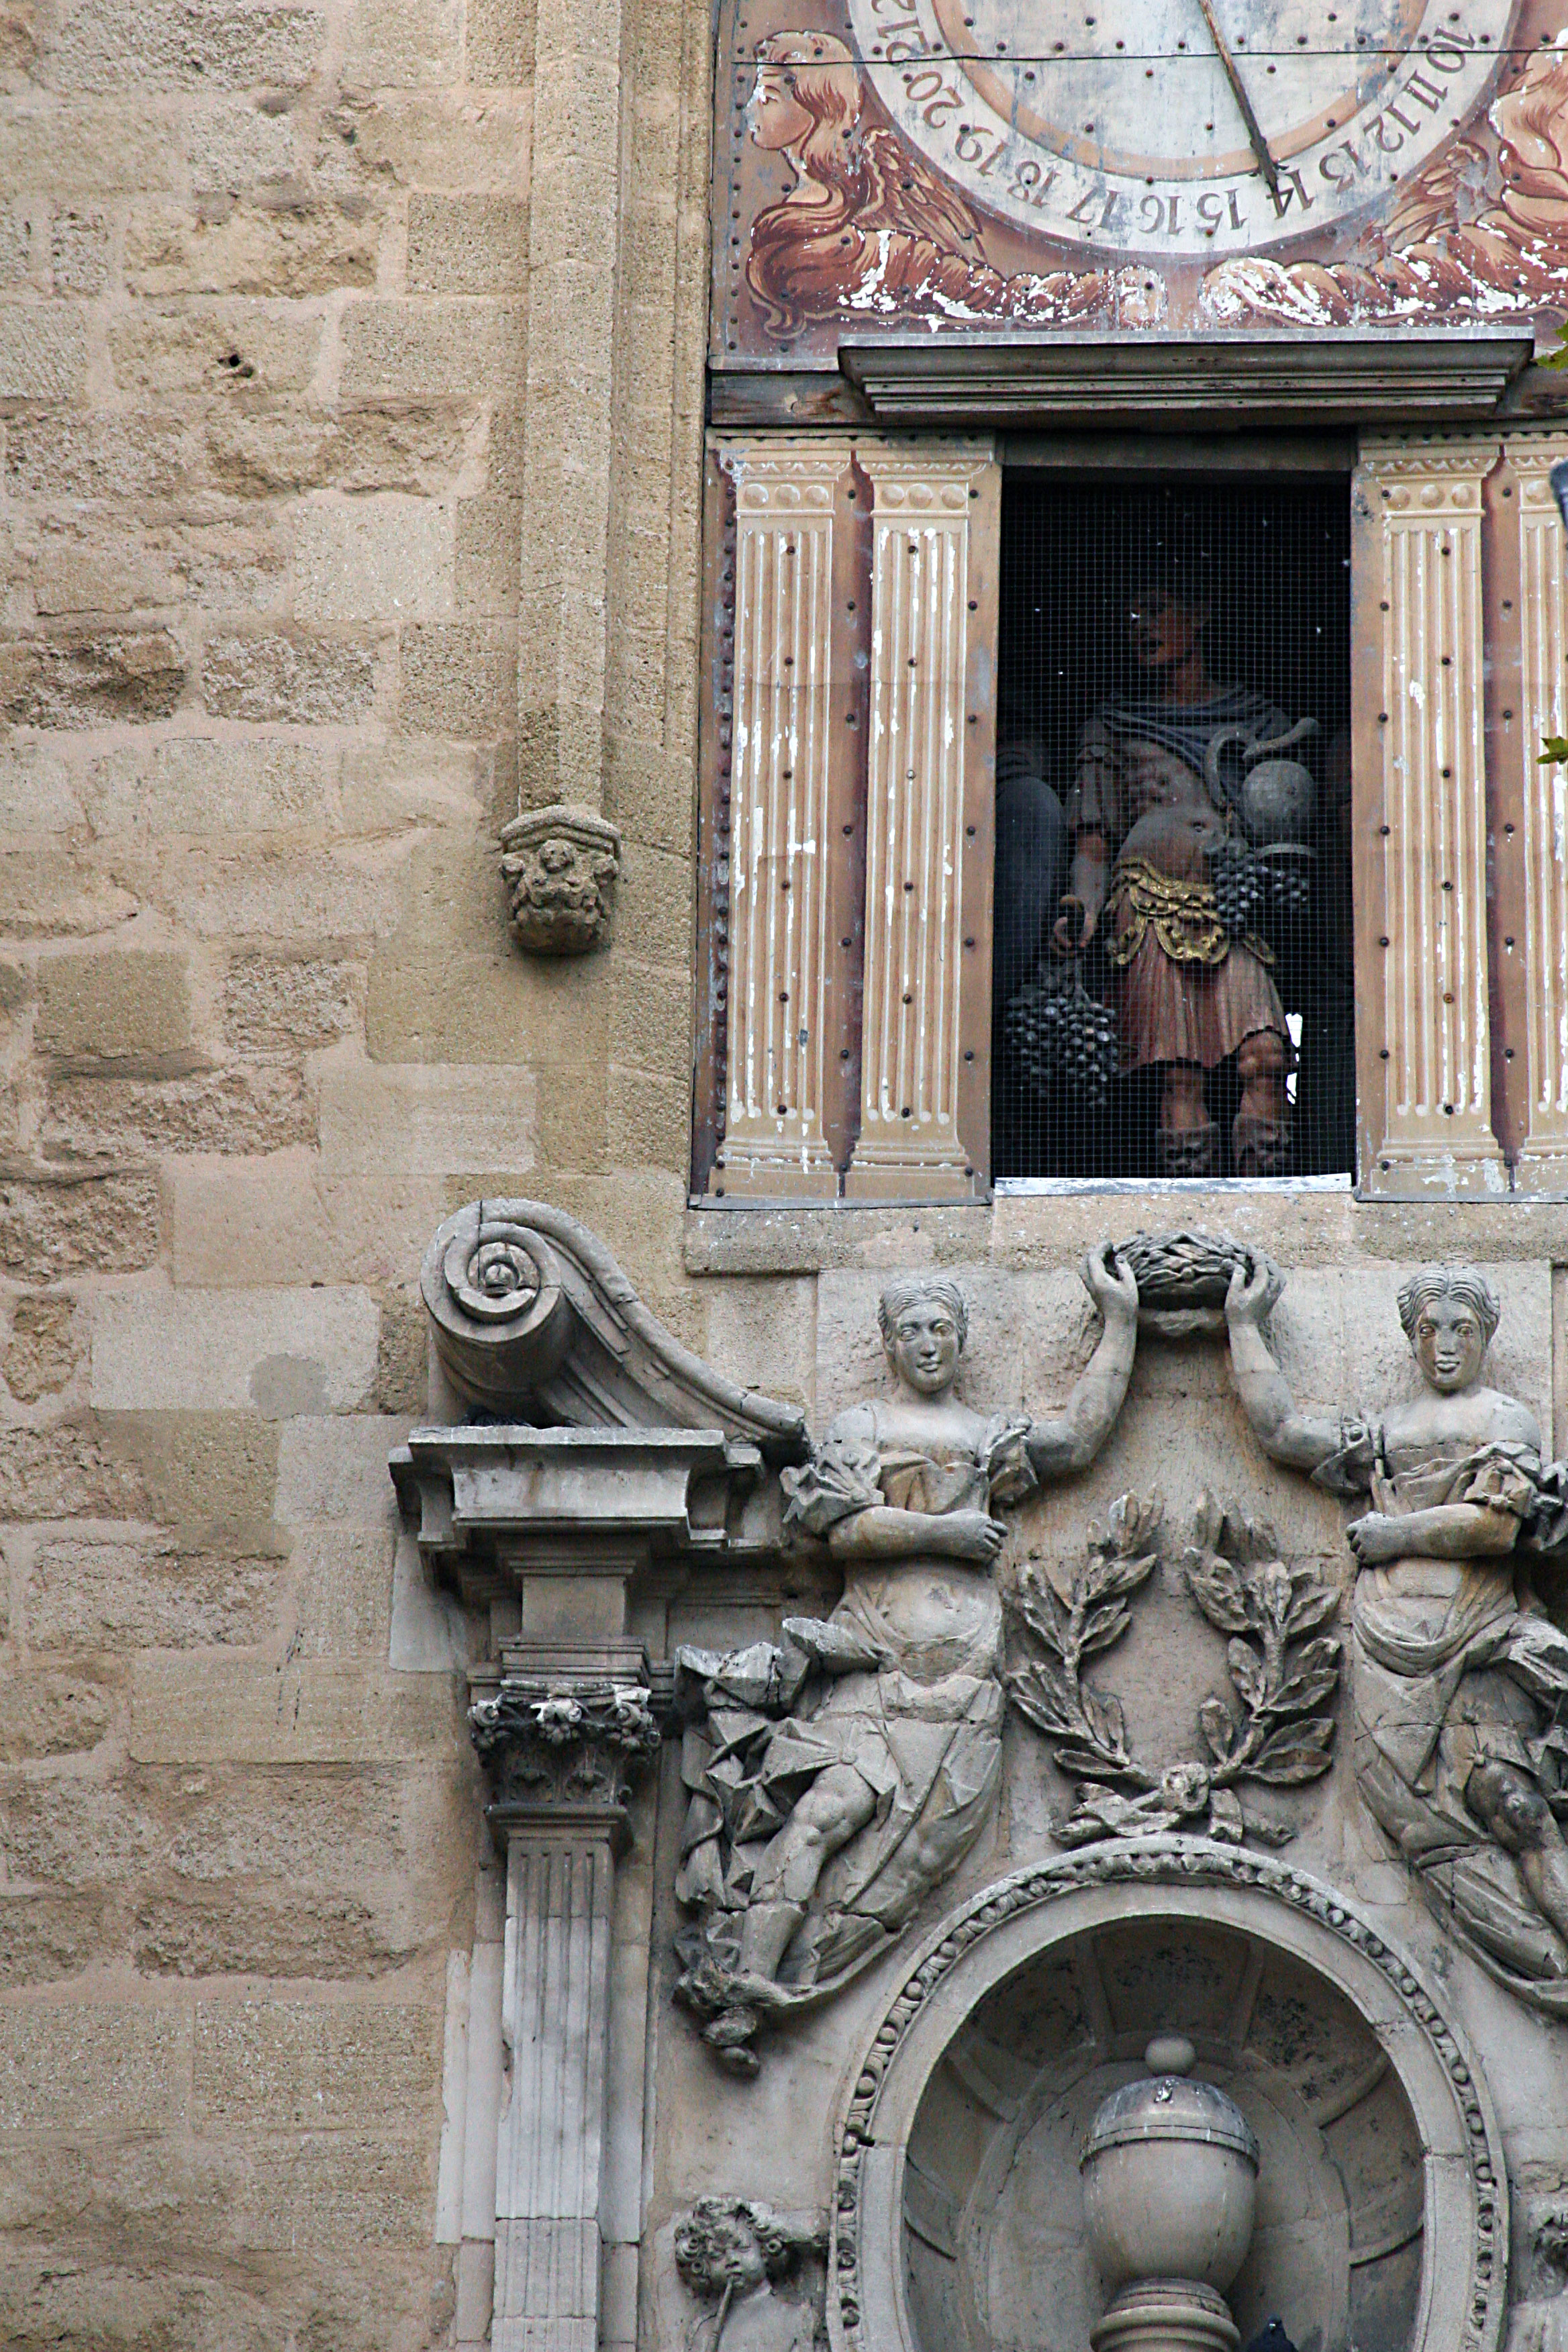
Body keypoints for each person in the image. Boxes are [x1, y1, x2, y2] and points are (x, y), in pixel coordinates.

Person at [674, 1253, 1138, 2066]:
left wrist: (1120, 1324)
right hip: (872, 1670)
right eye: (912, 1332)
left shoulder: (985, 1436)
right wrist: (945, 1534)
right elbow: (843, 1529)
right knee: (823, 1815)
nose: (928, 1345)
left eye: (941, 1331)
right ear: (888, 1344)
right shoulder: (863, 1428)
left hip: (958, 1685)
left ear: (960, 1342)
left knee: (912, 1857)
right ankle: (746, 1977)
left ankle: (790, 1974)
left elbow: (1080, 1437)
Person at [1226, 1257, 1568, 2007]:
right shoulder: (1384, 1430)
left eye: (1460, 1330)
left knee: (1513, 1806)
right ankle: (1542, 1960)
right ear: (1409, 1338)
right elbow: (1282, 1432)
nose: (1443, 1346)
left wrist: (1392, 1534)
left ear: (1484, 1335)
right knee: (1430, 1833)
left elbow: (1494, 1525)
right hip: (1387, 1648)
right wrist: (1246, 1324)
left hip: (1476, 1634)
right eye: (1427, 1330)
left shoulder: (1501, 1418)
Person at [1056, 565, 1297, 1176]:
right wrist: (1080, 906)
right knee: (1179, 1076)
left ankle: (1265, 1210)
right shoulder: (1113, 725)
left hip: (1232, 908)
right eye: (1129, 614)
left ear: (1201, 613)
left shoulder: (1257, 724)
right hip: (1146, 911)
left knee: (1266, 1056)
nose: (1138, 627)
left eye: (1154, 607)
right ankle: (1189, 1222)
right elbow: (1093, 840)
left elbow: (1288, 826)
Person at [741, 32, 1163, 340]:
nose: (750, 107)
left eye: (769, 96)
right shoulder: (808, 210)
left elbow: (994, 297)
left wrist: (1104, 291)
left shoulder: (888, 243)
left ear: (817, 107)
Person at [674, 2198, 822, 2352]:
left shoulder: (797, 2319)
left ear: (765, 2252)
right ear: (704, 2266)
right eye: (717, 2255)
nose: (731, 2260)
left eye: (743, 2248)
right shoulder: (702, 2332)